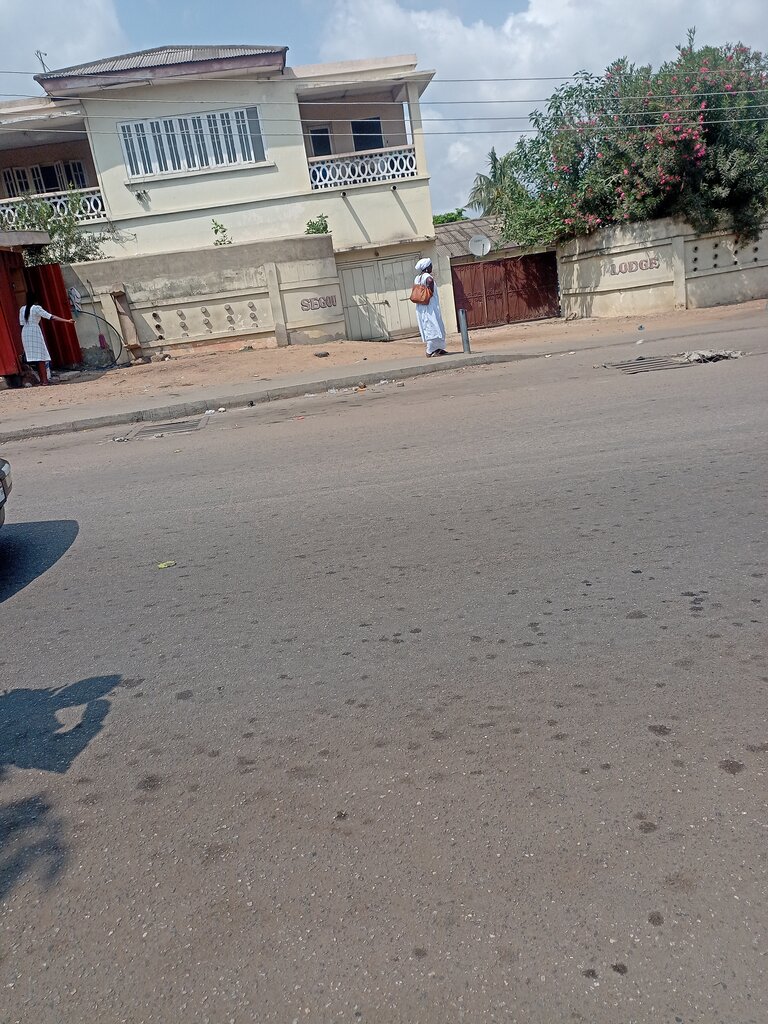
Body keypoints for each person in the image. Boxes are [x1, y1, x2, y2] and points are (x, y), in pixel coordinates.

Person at [19, 292, 74, 386]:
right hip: (34, 331)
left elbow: (21, 324)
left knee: (36, 358)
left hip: (25, 332)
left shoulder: (22, 309)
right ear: (35, 299)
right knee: (41, 357)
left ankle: (42, 380)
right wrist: (67, 321)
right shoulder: (37, 308)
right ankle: (44, 381)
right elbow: (51, 317)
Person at [413, 257, 447, 357]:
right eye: (431, 265)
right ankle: (430, 350)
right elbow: (430, 289)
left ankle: (439, 348)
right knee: (433, 326)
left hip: (421, 307)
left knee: (429, 326)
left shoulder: (417, 278)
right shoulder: (428, 277)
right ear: (427, 267)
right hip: (429, 307)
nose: (432, 267)